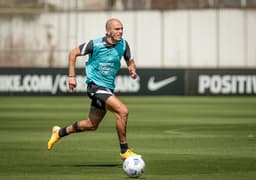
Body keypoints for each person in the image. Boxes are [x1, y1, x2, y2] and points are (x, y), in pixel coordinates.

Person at [47, 18, 141, 160]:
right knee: (123, 111)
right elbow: (73, 53)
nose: (120, 31)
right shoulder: (95, 44)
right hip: (95, 86)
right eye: (117, 29)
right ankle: (124, 151)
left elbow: (129, 59)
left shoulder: (123, 44)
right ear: (108, 31)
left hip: (108, 88)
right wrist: (71, 76)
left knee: (91, 124)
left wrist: (132, 69)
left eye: (122, 29)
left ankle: (59, 132)